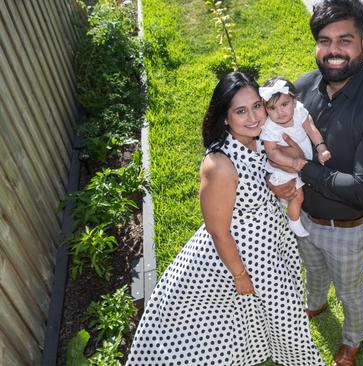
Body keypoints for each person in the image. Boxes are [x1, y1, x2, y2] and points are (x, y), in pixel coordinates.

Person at [127, 72, 324, 366]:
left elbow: (279, 167)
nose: (254, 116)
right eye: (241, 111)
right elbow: (218, 232)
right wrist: (241, 276)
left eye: (258, 106)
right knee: (285, 320)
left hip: (269, 241)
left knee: (268, 313)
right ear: (224, 118)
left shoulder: (258, 140)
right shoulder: (218, 164)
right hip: (242, 256)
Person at [268, 1, 363, 365]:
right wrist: (279, 182)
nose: (333, 50)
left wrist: (301, 166)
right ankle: (315, 303)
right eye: (325, 40)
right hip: (303, 217)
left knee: (349, 290)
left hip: (346, 226)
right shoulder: (302, 89)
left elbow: (361, 190)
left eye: (345, 40)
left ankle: (352, 340)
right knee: (312, 270)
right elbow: (271, 140)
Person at [259, 76, 331, 238]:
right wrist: (292, 162)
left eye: (284, 104)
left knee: (302, 187)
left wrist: (321, 148)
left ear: (294, 100)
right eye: (272, 108)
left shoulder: (299, 111)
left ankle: (283, 203)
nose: (279, 112)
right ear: (266, 109)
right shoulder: (271, 127)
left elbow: (311, 128)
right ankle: (294, 221)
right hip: (283, 165)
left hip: (301, 160)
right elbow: (272, 152)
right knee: (297, 195)